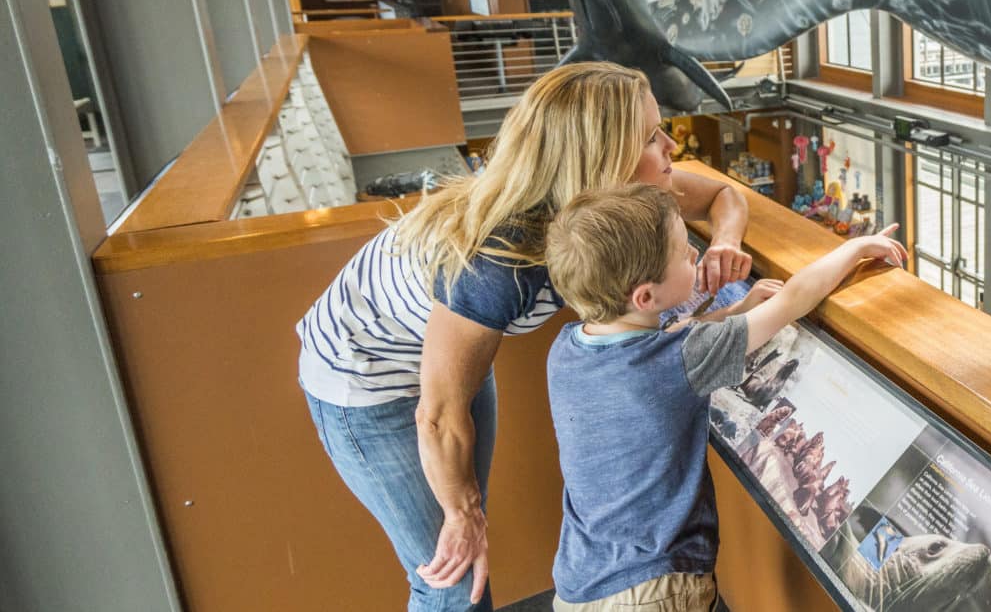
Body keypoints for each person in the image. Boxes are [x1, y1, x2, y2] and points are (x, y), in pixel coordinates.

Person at [297, 62, 753, 611]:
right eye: (650, 137)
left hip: (443, 363)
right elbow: (439, 414)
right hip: (366, 378)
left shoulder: (609, 205)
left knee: (468, 532)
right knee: (452, 574)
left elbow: (724, 197)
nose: (669, 147)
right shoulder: (496, 261)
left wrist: (726, 243)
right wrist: (460, 513)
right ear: (602, 158)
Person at [541, 183, 907, 612]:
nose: (695, 254)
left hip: (581, 579)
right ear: (644, 296)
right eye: (682, 253)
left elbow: (667, 337)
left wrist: (736, 312)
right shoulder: (679, 359)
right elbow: (794, 299)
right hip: (657, 586)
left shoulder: (567, 349)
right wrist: (858, 247)